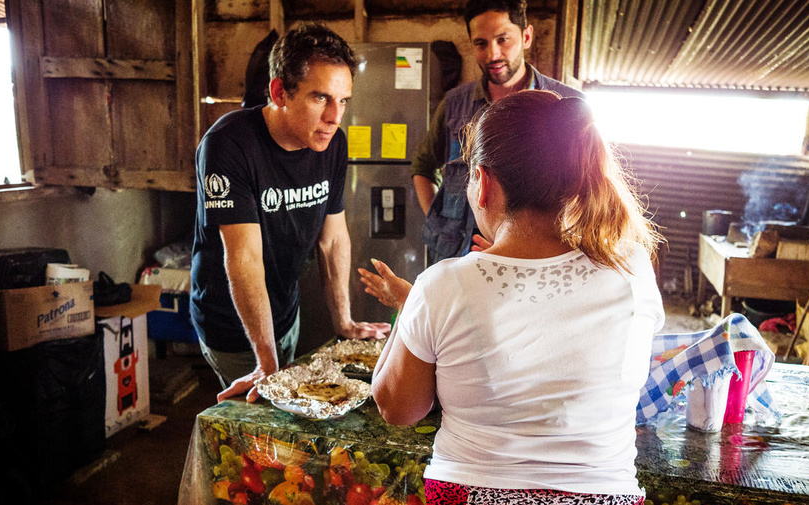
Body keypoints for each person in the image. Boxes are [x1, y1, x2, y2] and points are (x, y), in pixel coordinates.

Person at [360, 90, 665, 505]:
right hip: (605, 495)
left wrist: (411, 305)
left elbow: (397, 409)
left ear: (483, 184)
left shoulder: (443, 286)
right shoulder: (632, 265)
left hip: (470, 493)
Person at [191, 24, 389, 403]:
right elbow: (244, 259)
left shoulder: (332, 144)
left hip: (285, 312)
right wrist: (267, 362)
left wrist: (343, 322)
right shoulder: (229, 145)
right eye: (320, 98)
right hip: (233, 325)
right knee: (259, 435)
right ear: (279, 91)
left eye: (343, 100)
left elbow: (332, 240)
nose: (335, 116)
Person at [413, 0, 584, 262]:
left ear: (526, 36)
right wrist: (439, 224)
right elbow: (423, 166)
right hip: (457, 257)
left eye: (503, 39)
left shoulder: (565, 104)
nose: (492, 54)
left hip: (534, 264)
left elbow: (589, 188)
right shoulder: (454, 104)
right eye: (481, 43)